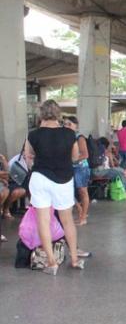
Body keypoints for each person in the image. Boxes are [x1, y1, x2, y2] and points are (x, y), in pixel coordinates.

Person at [24, 99, 84, 274]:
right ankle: (74, 259)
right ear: (58, 114)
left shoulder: (33, 134)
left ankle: (51, 263)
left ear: (41, 114)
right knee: (67, 220)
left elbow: (28, 156)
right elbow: (74, 157)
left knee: (43, 220)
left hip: (40, 177)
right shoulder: (69, 134)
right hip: (64, 179)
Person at [63, 117, 91, 225]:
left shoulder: (79, 138)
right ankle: (80, 210)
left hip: (81, 168)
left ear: (76, 126)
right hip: (70, 167)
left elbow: (85, 154)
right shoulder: (65, 138)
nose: (66, 126)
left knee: (82, 191)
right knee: (68, 190)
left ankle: (83, 217)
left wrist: (71, 159)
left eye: (69, 124)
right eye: (64, 124)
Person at [0, 153, 27, 219]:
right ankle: (4, 210)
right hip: (6, 182)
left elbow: (7, 172)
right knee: (4, 192)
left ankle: (4, 209)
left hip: (6, 182)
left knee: (7, 191)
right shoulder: (17, 158)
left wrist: (3, 159)